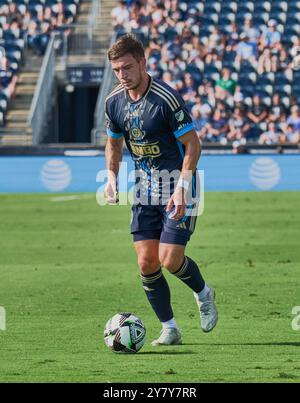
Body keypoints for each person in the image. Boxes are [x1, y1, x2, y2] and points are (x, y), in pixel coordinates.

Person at [104, 34, 218, 346]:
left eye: (127, 68)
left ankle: (204, 293)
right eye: (117, 70)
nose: (122, 75)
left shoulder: (166, 99)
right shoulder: (114, 102)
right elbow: (112, 145)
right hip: (143, 189)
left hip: (179, 185)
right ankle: (169, 328)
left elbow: (193, 143)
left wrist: (182, 187)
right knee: (146, 262)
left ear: (142, 62)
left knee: (169, 258)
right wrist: (112, 178)